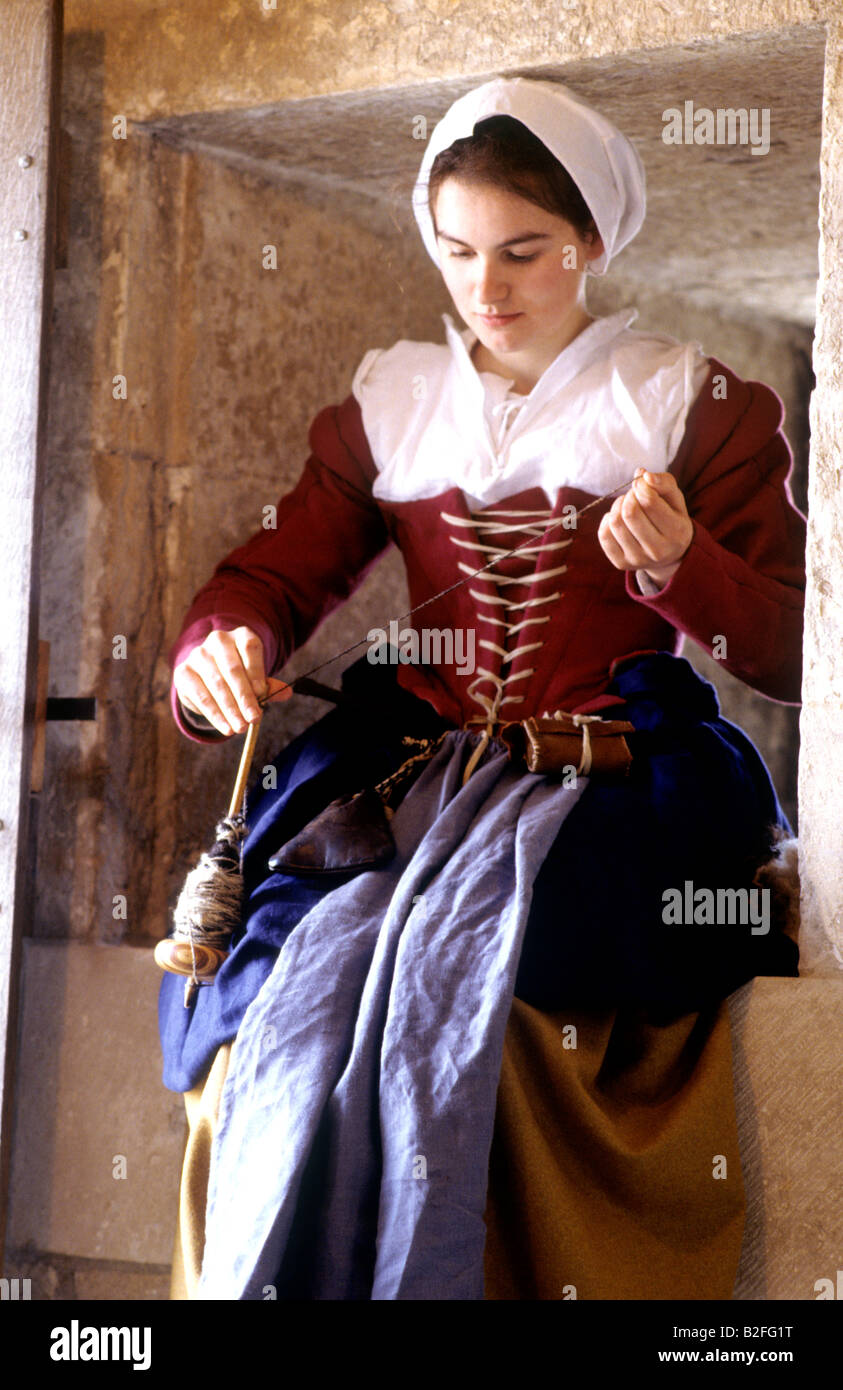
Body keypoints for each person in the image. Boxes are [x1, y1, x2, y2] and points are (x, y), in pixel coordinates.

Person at [162, 77, 805, 1301]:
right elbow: (271, 577)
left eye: (524, 251)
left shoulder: (688, 401)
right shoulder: (393, 400)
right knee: (301, 986)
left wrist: (681, 571)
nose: (486, 289)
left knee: (474, 990)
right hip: (414, 767)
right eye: (456, 251)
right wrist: (222, 646)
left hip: (613, 774)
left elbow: (794, 652)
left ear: (594, 244)